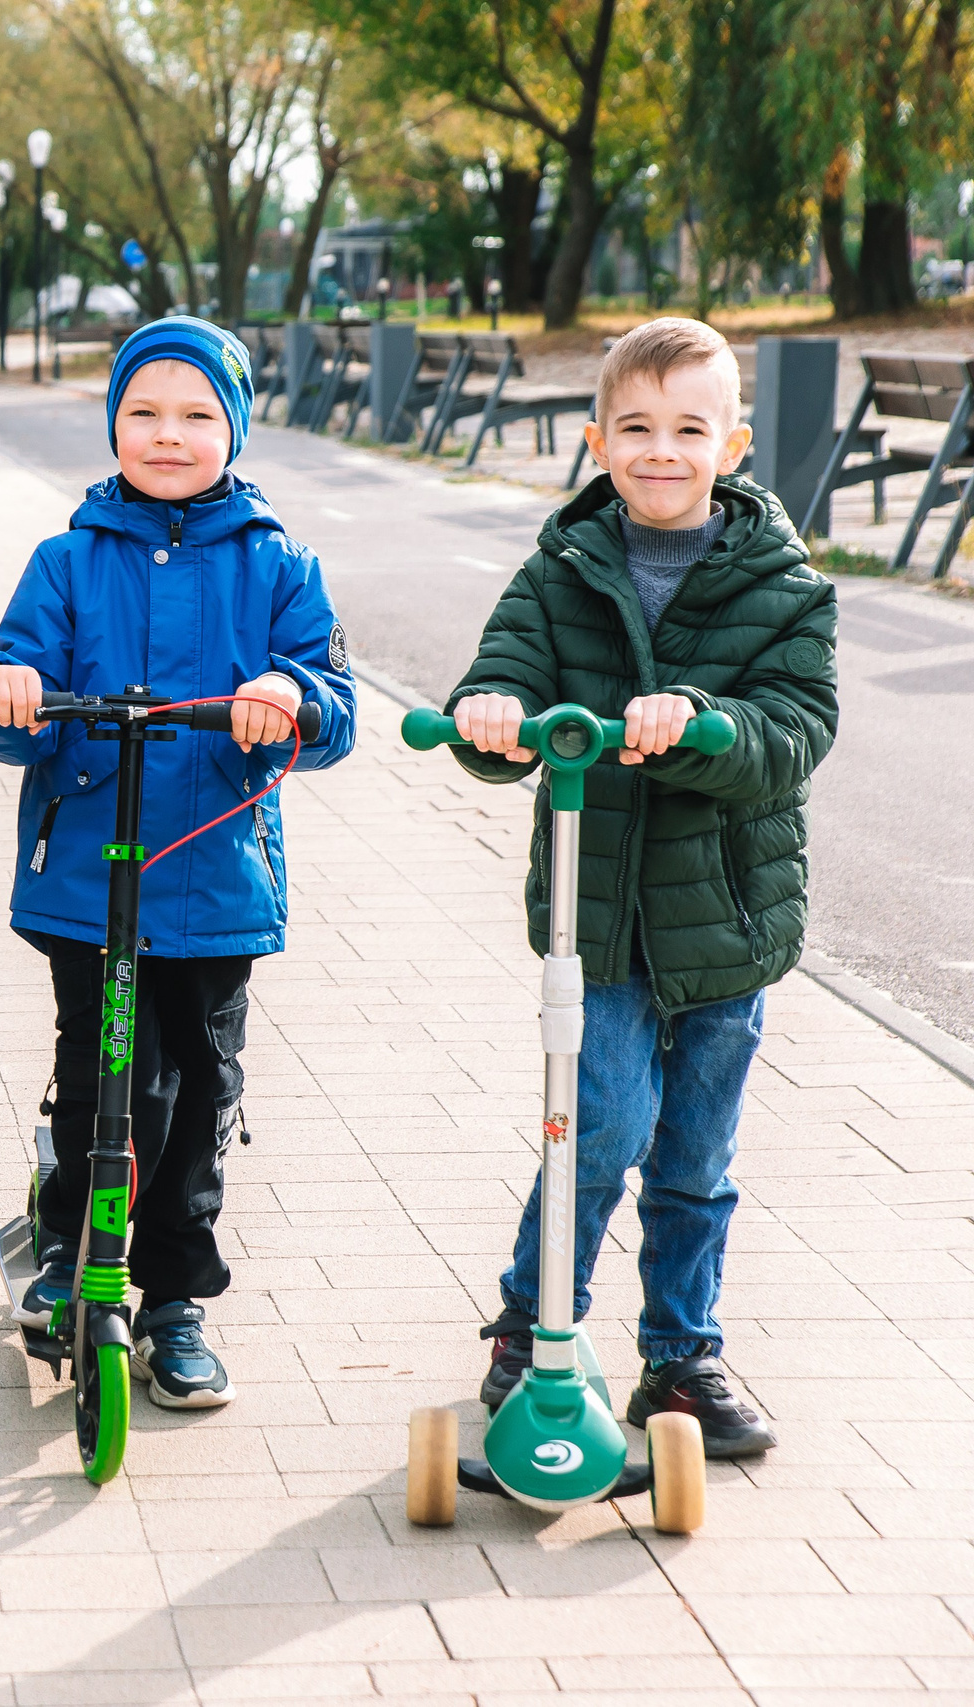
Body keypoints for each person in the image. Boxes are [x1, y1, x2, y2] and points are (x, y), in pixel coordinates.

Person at [446, 316, 835, 1458]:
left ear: (732, 445)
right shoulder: (558, 572)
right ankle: (533, 1328)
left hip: (727, 921)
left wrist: (706, 723)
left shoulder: (785, 585)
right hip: (600, 918)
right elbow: (503, 681)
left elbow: (795, 728)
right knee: (597, 1125)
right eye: (636, 428)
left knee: (695, 1155)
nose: (661, 451)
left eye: (688, 430)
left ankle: (681, 1356)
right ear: (597, 441)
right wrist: (489, 718)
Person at [0, 317, 357, 1410]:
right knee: (106, 1076)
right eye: (143, 412)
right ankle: (67, 1245)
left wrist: (289, 696)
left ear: (234, 430)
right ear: (113, 425)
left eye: (196, 415)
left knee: (202, 1088)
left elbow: (332, 704)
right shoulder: (67, 561)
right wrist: (7, 692)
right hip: (91, 876)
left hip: (215, 876)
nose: (168, 434)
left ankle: (175, 1295)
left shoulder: (279, 563)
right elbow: (13, 693)